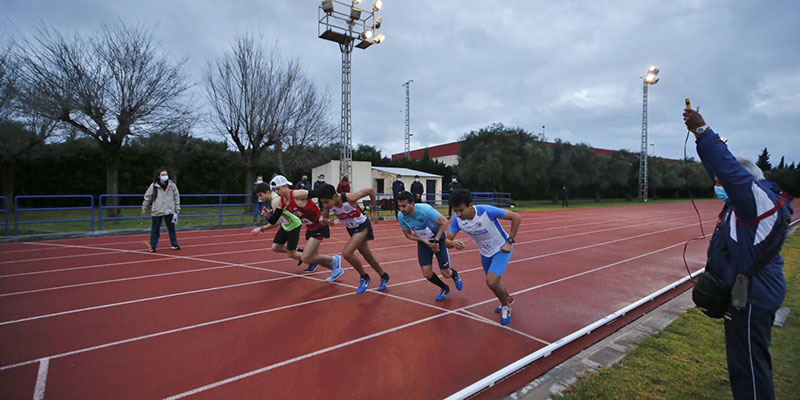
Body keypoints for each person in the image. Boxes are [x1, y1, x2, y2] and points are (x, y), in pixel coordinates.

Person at [683, 107, 793, 400]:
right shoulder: (743, 203)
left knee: (750, 372)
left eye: (722, 184)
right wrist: (700, 140)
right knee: (743, 367)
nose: (717, 186)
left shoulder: (756, 203)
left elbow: (729, 172)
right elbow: (722, 171)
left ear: (743, 184)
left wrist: (705, 131)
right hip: (746, 296)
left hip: (752, 299)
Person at [445, 189, 521, 325]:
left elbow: (516, 217)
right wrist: (453, 243)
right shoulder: (457, 220)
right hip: (485, 252)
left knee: (491, 281)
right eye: (455, 211)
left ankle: (506, 306)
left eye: (461, 210)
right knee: (494, 284)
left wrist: (509, 242)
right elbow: (447, 241)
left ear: (470, 205)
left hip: (501, 249)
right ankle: (508, 298)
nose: (458, 214)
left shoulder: (486, 211)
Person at [319, 184, 391, 294]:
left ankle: (364, 276)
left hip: (362, 226)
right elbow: (325, 217)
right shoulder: (328, 205)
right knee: (367, 255)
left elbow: (371, 190)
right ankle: (384, 275)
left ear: (334, 196)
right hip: (351, 229)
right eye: (323, 202)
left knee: (347, 253)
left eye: (326, 202)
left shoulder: (349, 198)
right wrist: (327, 220)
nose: (325, 205)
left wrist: (374, 211)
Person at [270, 175, 343, 282]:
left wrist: (331, 205)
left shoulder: (297, 194)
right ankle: (336, 269)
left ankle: (334, 259)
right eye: (275, 190)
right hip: (310, 227)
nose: (276, 192)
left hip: (319, 225)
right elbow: (273, 220)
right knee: (312, 256)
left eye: (278, 189)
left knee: (305, 257)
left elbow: (320, 192)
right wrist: (268, 215)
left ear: (285, 186)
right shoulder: (282, 202)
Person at [396, 191, 464, 301]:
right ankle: (444, 288)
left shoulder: (425, 209)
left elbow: (444, 222)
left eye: (404, 206)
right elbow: (408, 235)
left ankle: (454, 274)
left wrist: (436, 240)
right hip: (424, 242)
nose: (401, 209)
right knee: (427, 274)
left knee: (446, 273)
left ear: (412, 204)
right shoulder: (401, 216)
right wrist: (422, 240)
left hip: (438, 238)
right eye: (399, 206)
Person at [250, 182, 314, 272]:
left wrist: (261, 228)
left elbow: (276, 223)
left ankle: (312, 260)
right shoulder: (273, 200)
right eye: (258, 196)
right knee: (276, 247)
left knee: (291, 253)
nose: (259, 198)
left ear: (268, 192)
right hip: (286, 225)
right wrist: (268, 216)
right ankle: (301, 254)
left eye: (260, 195)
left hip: (293, 225)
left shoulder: (275, 201)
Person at [141, 168, 181, 252]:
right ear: (158, 176)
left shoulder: (172, 185)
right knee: (155, 229)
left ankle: (174, 244)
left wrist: (177, 208)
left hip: (169, 210)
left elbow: (176, 197)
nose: (165, 176)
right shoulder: (154, 186)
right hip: (157, 210)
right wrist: (144, 207)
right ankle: (153, 246)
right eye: (163, 175)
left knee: (171, 229)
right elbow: (147, 197)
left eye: (166, 174)